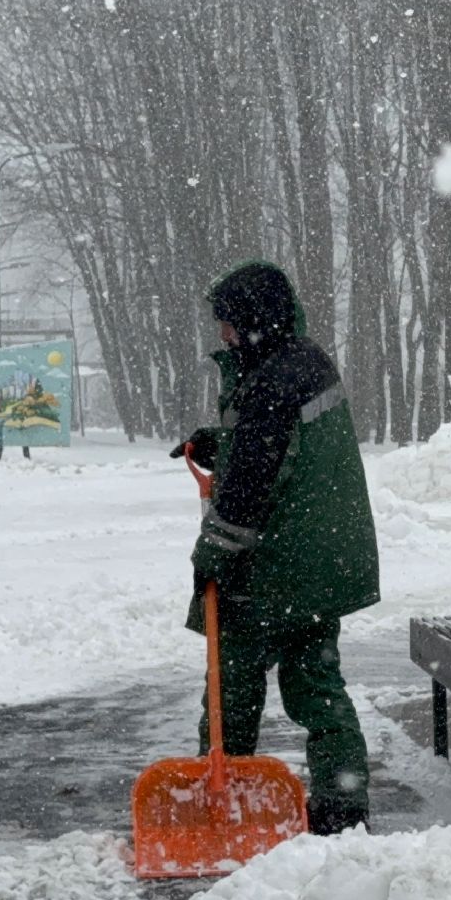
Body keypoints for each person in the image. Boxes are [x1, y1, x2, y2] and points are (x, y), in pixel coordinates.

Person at [170, 260, 381, 835]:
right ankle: (343, 805)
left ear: (252, 322)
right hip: (321, 561)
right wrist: (224, 441)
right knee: (317, 685)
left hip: (277, 565)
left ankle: (223, 797)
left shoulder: (270, 383)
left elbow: (250, 487)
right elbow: (281, 447)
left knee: (232, 680)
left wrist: (211, 555)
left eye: (227, 323)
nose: (222, 334)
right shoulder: (304, 361)